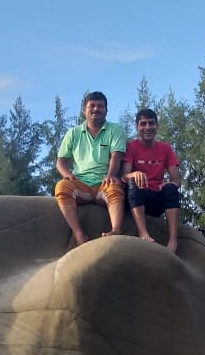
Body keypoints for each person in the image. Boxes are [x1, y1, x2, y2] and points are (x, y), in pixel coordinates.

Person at [54, 91, 126, 246]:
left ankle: (116, 230)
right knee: (62, 187)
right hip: (81, 184)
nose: (96, 109)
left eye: (100, 106)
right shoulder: (73, 133)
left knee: (115, 189)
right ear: (84, 110)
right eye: (92, 106)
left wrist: (111, 174)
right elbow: (61, 161)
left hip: (104, 183)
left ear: (106, 110)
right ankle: (79, 234)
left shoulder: (115, 129)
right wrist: (67, 174)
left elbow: (117, 155)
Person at [122, 108, 182, 253]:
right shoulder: (131, 147)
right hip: (137, 198)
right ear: (137, 127)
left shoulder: (165, 148)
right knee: (132, 182)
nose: (147, 128)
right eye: (143, 124)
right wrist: (134, 174)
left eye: (151, 123)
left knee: (171, 188)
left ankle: (173, 240)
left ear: (157, 126)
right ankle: (143, 232)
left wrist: (170, 184)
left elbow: (176, 180)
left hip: (156, 198)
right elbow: (124, 175)